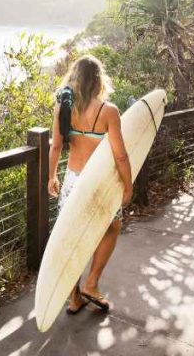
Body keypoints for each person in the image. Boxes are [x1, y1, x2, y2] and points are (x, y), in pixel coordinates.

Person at [48, 55, 133, 314]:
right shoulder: (108, 111)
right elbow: (120, 155)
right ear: (98, 80)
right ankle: (91, 285)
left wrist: (51, 176)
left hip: (73, 180)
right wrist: (128, 186)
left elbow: (56, 145)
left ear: (74, 77)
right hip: (100, 182)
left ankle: (75, 297)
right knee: (112, 227)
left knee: (71, 237)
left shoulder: (64, 108)